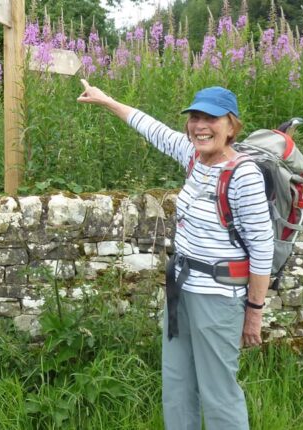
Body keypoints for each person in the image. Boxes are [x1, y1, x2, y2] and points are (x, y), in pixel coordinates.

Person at [77, 80, 273, 429]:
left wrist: (254, 312)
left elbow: (262, 249)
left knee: (219, 393)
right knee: (177, 385)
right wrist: (107, 100)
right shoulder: (194, 157)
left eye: (211, 118)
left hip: (218, 296)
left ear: (231, 125)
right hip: (180, 289)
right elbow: (152, 128)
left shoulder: (244, 175)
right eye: (195, 117)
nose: (200, 126)